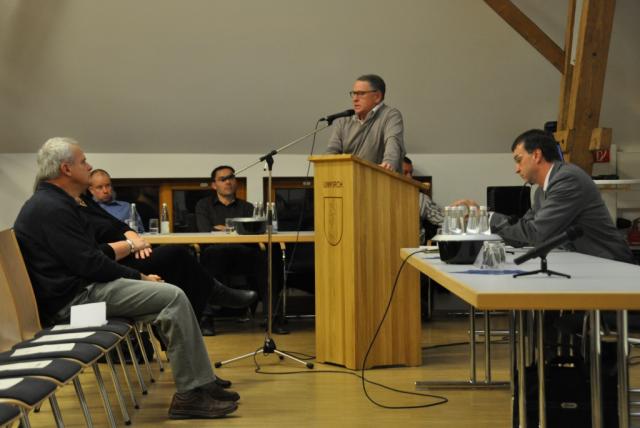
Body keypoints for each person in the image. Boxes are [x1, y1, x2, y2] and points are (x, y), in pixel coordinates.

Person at [14, 138, 240, 419]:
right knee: (172, 296)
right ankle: (190, 395)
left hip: (82, 290)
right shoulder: (51, 207)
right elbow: (91, 263)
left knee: (172, 293)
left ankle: (200, 382)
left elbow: (91, 255)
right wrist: (140, 276)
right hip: (73, 303)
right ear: (66, 168)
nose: (89, 166)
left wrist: (133, 265)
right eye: (83, 161)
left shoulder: (59, 202)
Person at [79, 178, 257, 324]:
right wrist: (131, 245)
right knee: (175, 255)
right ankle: (211, 295)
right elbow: (92, 254)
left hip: (128, 252)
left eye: (108, 185)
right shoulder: (68, 209)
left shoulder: (84, 201)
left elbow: (118, 225)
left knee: (178, 264)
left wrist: (137, 240)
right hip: (108, 265)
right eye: (83, 162)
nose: (88, 166)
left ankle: (198, 315)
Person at [491, 129, 634, 263]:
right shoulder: (541, 191)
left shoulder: (568, 179)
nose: (517, 169)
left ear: (536, 155)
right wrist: (484, 223)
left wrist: (489, 218)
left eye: (519, 160)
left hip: (610, 264)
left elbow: (537, 232)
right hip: (585, 263)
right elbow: (523, 237)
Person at [195, 165, 287, 333]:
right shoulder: (203, 206)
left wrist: (223, 228)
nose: (228, 182)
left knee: (268, 260)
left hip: (244, 253)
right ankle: (206, 319)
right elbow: (205, 230)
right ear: (214, 185)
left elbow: (255, 232)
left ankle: (272, 318)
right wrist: (237, 228)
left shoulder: (247, 207)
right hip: (215, 253)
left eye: (231, 177)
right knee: (205, 260)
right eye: (223, 179)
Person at [326, 74, 406, 173]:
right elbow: (331, 152)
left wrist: (388, 163)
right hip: (347, 179)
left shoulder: (390, 115)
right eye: (354, 93)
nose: (355, 98)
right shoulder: (344, 122)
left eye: (361, 93)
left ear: (377, 97)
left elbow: (393, 144)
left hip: (379, 178)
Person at [88, 169, 144, 233]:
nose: (105, 191)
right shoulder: (86, 208)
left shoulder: (126, 207)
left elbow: (140, 232)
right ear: (91, 190)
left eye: (108, 185)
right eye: (100, 187)